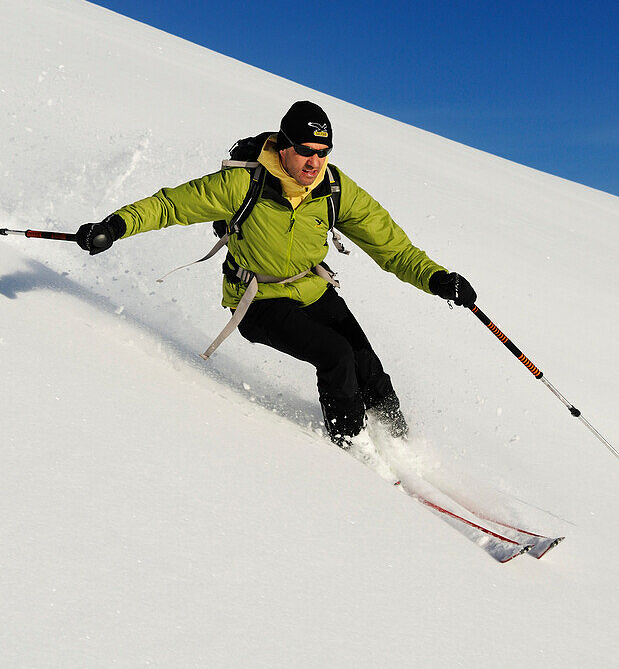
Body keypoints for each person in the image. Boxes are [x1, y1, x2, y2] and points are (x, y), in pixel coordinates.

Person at [75, 101, 476, 447]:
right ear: (283, 146)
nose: (314, 162)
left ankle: (402, 447)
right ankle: (355, 452)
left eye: (323, 152)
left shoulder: (335, 189)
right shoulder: (242, 183)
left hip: (313, 290)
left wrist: (437, 279)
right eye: (305, 151)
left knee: (368, 367)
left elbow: (392, 248)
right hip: (258, 301)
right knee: (336, 358)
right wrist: (114, 226)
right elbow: (170, 206)